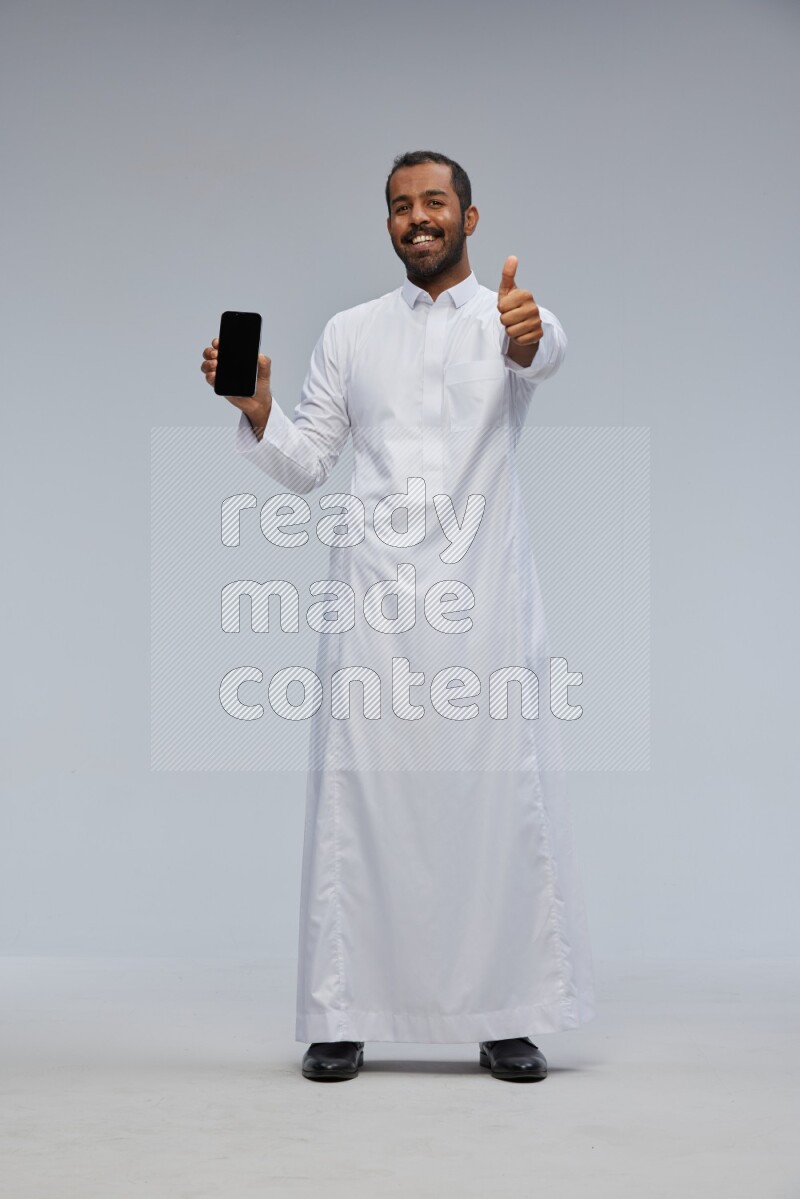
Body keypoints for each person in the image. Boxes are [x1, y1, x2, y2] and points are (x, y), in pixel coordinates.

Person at [200, 150, 595, 1083]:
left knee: (498, 803)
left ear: (470, 215)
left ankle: (507, 1014)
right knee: (359, 802)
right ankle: (342, 1012)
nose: (417, 217)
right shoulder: (350, 333)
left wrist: (530, 333)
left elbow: (545, 353)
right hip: (373, 600)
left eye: (434, 202)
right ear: (387, 223)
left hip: (483, 603)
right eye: (399, 206)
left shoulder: (507, 320)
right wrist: (260, 410)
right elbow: (307, 464)